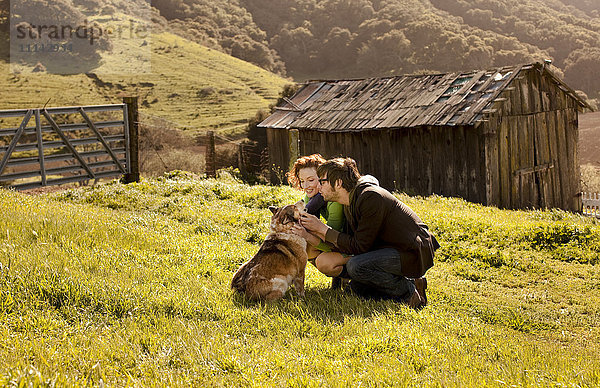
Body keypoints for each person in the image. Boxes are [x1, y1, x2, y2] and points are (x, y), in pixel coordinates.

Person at [296, 157, 439, 309]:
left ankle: (409, 292)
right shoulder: (349, 201)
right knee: (359, 289)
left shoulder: (370, 197)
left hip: (410, 250)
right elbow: (354, 242)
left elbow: (360, 247)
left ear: (338, 183)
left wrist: (322, 229)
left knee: (356, 266)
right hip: (386, 248)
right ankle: (410, 283)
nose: (319, 187)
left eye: (322, 182)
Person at [286, 154, 347, 288]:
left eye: (311, 180)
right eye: (302, 181)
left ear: (323, 178)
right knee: (302, 243)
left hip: (350, 244)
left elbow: (333, 240)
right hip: (336, 241)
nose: (305, 186)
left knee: (321, 257)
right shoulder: (312, 197)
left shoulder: (334, 201)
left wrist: (308, 235)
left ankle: (348, 278)